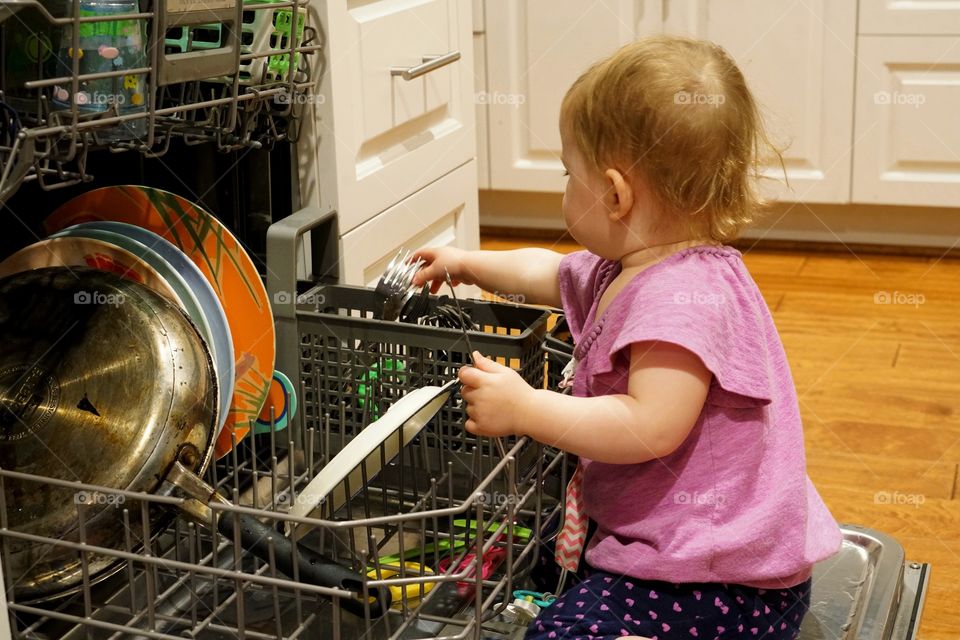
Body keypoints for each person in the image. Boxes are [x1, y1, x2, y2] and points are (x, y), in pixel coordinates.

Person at [413, 35, 841, 640]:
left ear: (614, 195)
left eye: (568, 174)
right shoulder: (630, 267)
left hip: (718, 584)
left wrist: (527, 407)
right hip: (693, 559)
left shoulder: (680, 300)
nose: (563, 188)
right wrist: (466, 262)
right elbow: (547, 271)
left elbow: (649, 427)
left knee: (556, 635)